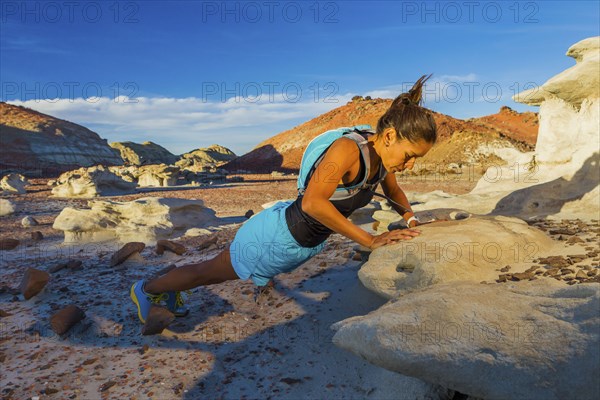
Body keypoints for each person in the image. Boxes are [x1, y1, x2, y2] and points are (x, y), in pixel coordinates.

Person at [130, 75, 437, 323]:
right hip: (273, 238)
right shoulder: (347, 150)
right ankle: (146, 289)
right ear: (388, 136)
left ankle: (165, 290)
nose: (410, 165)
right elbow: (312, 203)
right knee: (206, 273)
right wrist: (369, 241)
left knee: (209, 271)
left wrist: (411, 219)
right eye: (410, 156)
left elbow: (395, 193)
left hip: (299, 244)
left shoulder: (382, 162)